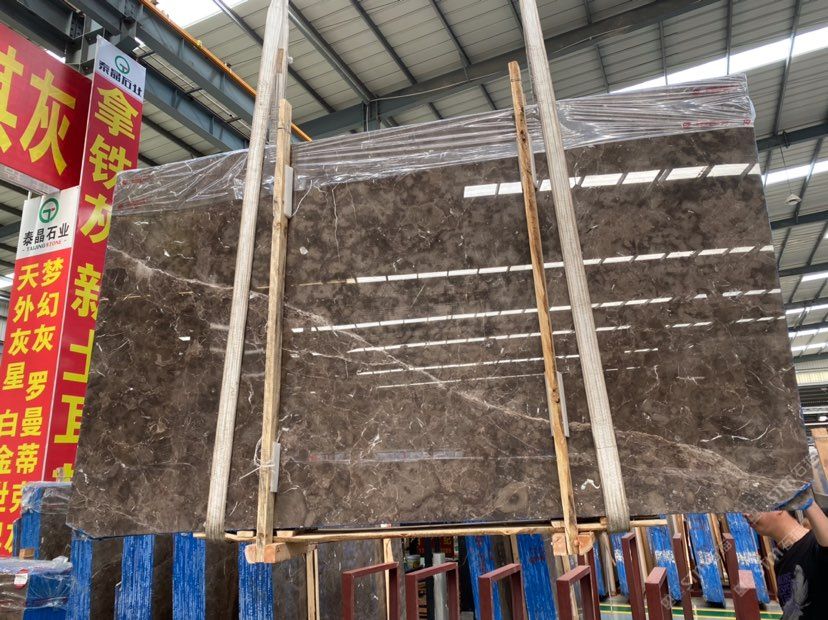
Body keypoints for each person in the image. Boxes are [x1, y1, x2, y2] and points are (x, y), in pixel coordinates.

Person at [746, 491, 828, 620]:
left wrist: (810, 505)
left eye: (755, 506)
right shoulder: (781, 559)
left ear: (780, 508)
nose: (746, 514)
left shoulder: (814, 543)